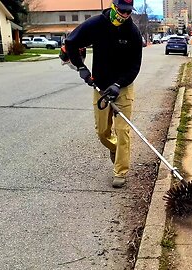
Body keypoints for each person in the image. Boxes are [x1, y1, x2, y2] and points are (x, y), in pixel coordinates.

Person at [60, 0, 143, 188]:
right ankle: (115, 148)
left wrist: (118, 84)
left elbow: (135, 66)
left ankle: (120, 171)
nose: (126, 14)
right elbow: (71, 42)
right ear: (114, 7)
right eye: (122, 10)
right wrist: (81, 67)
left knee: (123, 131)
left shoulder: (133, 32)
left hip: (123, 86)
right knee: (102, 132)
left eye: (129, 11)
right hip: (100, 86)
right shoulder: (96, 24)